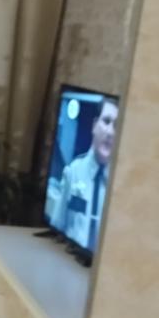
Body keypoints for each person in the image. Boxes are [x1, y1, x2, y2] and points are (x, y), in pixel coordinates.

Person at [52, 95, 119, 251]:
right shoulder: (73, 171)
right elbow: (56, 228)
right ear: (95, 125)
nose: (110, 132)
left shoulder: (121, 185)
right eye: (106, 121)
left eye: (116, 126)